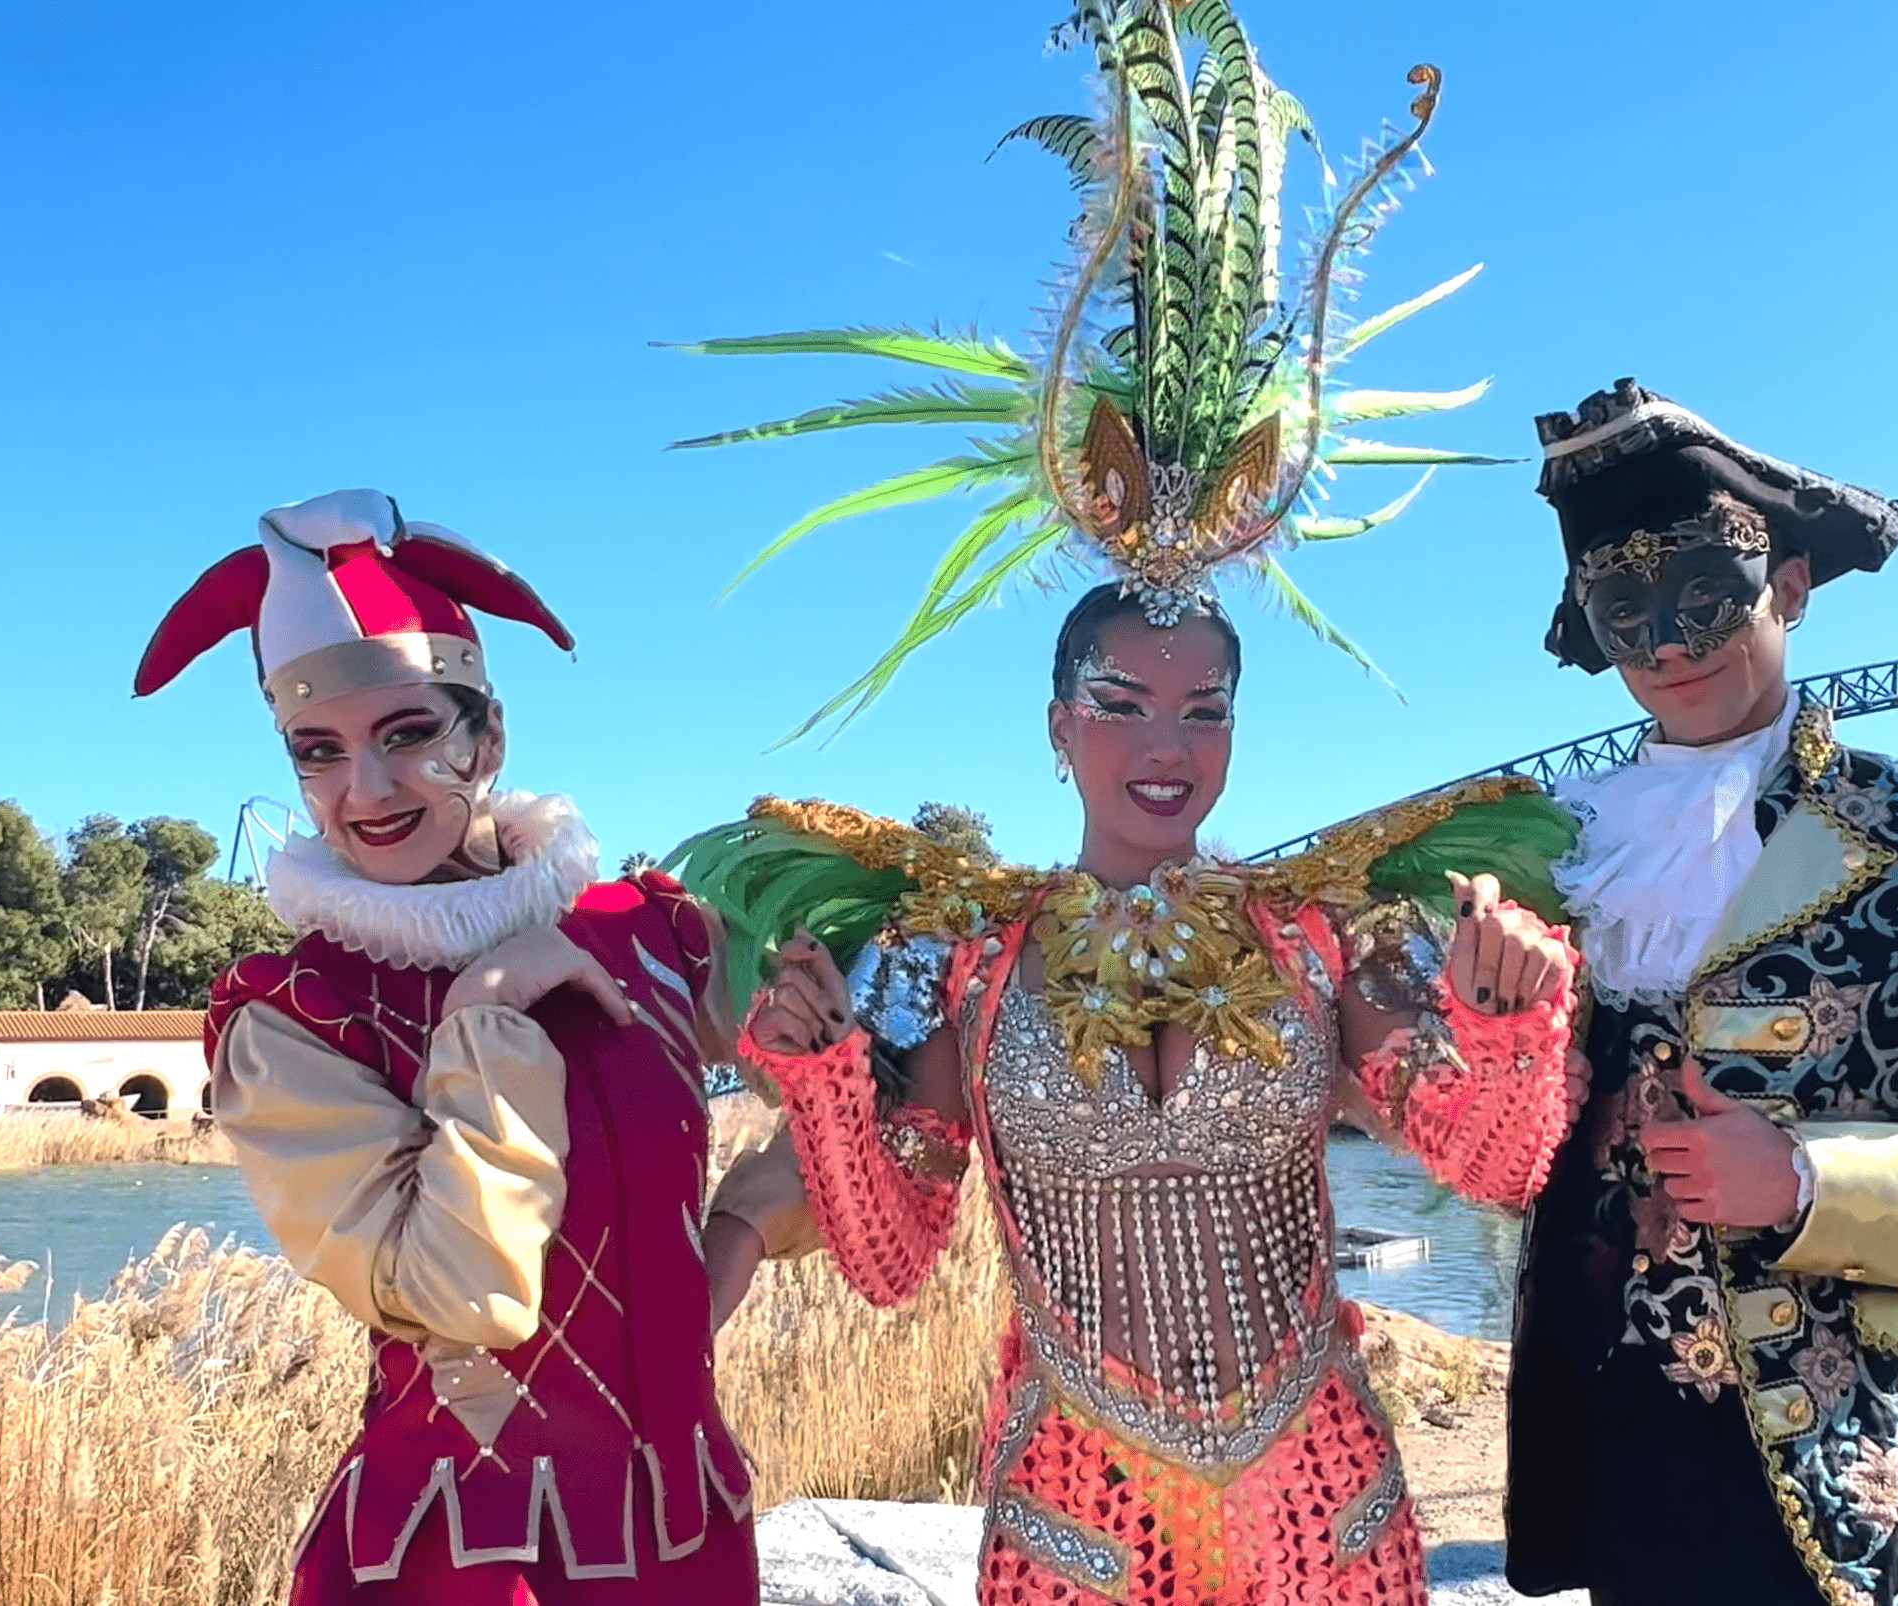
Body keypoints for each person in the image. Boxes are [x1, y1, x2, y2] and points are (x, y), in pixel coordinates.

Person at [668, 8, 1586, 1600]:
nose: (1166, 741)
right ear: (1057, 726)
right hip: (1072, 1518)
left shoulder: (1313, 937)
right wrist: (819, 1079)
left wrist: (1508, 1034)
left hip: (1326, 1512)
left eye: (1205, 709)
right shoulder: (969, 958)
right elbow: (890, 1264)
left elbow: (1499, 1169)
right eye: (1124, 704)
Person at [1501, 382, 1898, 1606]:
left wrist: (1805, 1182)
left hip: (1831, 1470)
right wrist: (1484, 1027)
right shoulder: (1555, 856)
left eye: (1703, 594)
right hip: (1612, 1452)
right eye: (1626, 611)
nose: (1669, 645)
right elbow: (1506, 1139)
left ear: (1788, 585)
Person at [134, 489, 759, 1603]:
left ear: (490, 736)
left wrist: (741, 1238)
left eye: (409, 733)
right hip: (456, 1561)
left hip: (686, 1541)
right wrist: (489, 1007)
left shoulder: (649, 931)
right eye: (316, 752)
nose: (364, 791)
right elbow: (466, 1294)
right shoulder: (290, 1015)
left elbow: (859, 1109)